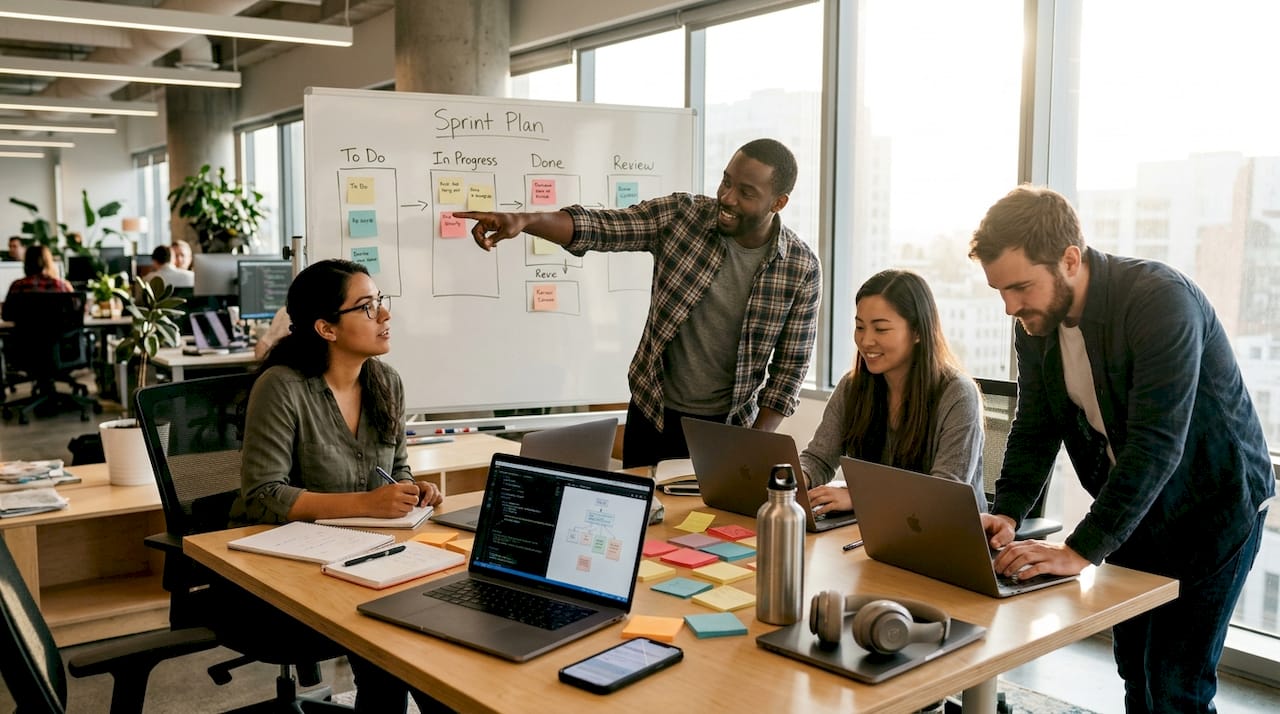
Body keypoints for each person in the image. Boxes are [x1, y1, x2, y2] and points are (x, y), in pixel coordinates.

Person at [968, 185, 1274, 713]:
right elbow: (1036, 424)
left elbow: (1156, 445)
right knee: (1134, 670)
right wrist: (1009, 512)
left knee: (1175, 685)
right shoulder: (1035, 323)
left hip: (1214, 508)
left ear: (1069, 259)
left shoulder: (1159, 300)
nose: (1010, 307)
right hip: (1136, 507)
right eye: (1000, 291)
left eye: (1020, 287)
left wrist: (1078, 552)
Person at [458, 138, 821, 468]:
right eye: (726, 181)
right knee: (644, 528)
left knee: (709, 533)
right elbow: (602, 227)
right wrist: (524, 220)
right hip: (653, 414)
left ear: (778, 202)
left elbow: (789, 371)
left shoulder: (800, 268)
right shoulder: (683, 217)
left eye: (745, 192)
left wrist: (753, 445)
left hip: (728, 429)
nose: (727, 197)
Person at [229, 259, 448, 713]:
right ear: (326, 328)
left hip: (368, 556)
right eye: (367, 307)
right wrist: (369, 504)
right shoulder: (282, 387)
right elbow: (262, 496)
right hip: (285, 571)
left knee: (436, 631)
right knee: (395, 638)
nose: (385, 316)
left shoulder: (386, 381)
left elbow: (397, 468)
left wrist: (412, 490)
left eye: (381, 303)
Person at [800, 269, 984, 515]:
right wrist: (794, 479)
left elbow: (943, 492)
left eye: (881, 329)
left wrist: (861, 497)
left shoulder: (958, 394)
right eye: (860, 327)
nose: (866, 341)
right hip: (874, 527)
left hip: (942, 534)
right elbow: (819, 459)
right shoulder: (852, 386)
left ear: (917, 332)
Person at [4, 245, 73, 298]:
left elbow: (7, 314)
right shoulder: (59, 285)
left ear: (27, 263)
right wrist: (70, 291)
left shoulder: (17, 286)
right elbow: (77, 312)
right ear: (48, 263)